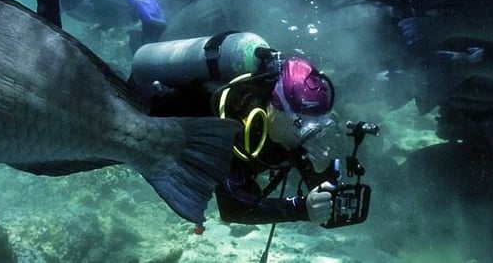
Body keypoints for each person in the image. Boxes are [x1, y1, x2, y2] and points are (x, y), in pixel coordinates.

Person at [129, 31, 340, 227]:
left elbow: (305, 165)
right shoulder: (236, 120)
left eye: (317, 125)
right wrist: (299, 209)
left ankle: (146, 33)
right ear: (276, 107)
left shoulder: (283, 128)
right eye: (300, 124)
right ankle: (143, 36)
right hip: (142, 111)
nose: (305, 136)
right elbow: (233, 208)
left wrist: (325, 180)